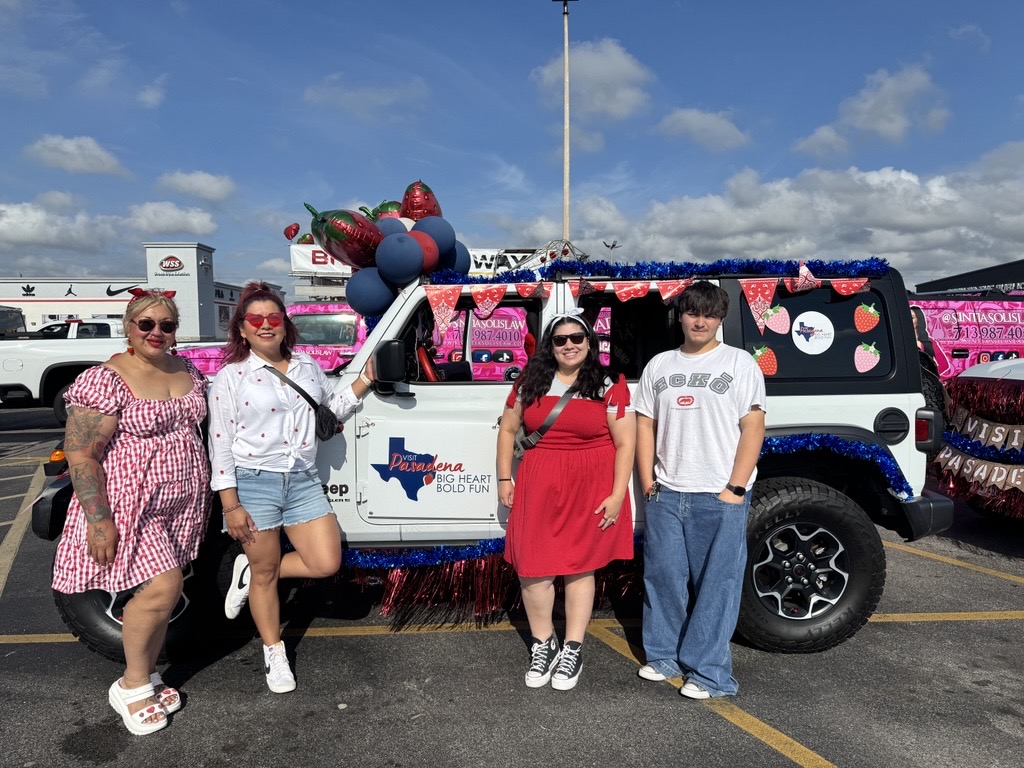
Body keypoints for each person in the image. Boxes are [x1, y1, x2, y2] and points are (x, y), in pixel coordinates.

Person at [52, 288, 210, 735]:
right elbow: (81, 453)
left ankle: (150, 674)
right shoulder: (106, 379)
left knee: (166, 592)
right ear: (128, 326)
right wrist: (99, 519)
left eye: (167, 325)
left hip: (182, 503)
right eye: (146, 324)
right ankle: (131, 684)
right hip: (130, 502)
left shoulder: (186, 369)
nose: (156, 332)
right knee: (164, 588)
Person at [207, 281, 375, 693]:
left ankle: (251, 571)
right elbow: (220, 444)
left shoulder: (306, 367)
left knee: (325, 562)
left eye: (273, 317)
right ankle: (273, 651)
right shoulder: (230, 377)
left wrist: (365, 380)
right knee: (267, 575)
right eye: (255, 319)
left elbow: (330, 411)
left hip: (302, 481)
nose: (265, 325)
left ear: (285, 324)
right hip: (254, 483)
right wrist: (231, 506)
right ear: (242, 329)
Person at [634, 280, 766, 699]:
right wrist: (647, 480)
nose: (700, 321)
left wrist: (735, 487)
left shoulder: (739, 363)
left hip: (719, 493)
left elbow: (753, 426)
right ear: (680, 315)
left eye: (710, 314)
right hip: (667, 492)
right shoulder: (659, 366)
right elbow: (644, 424)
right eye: (693, 312)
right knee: (663, 578)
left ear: (720, 318)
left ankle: (710, 674)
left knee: (717, 586)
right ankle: (664, 657)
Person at [496, 309, 635, 691]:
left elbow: (625, 443)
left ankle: (573, 647)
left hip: (590, 488)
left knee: (580, 568)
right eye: (561, 340)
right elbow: (507, 430)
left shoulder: (609, 384)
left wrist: (617, 495)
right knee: (533, 568)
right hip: (539, 484)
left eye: (577, 338)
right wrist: (505, 478)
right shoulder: (529, 382)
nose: (569, 345)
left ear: (590, 343)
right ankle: (543, 643)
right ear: (550, 345)